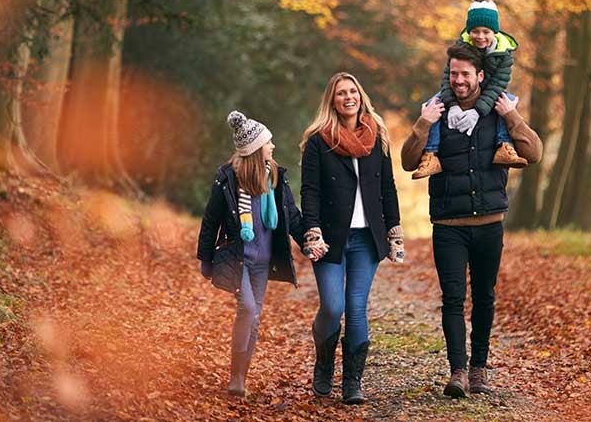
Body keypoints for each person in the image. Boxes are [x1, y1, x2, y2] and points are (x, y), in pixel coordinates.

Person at [401, 43, 543, 398]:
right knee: (452, 299)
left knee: (484, 297)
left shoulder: (497, 112)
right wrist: (424, 122)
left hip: (489, 224)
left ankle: (479, 368)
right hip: (449, 226)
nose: (459, 80)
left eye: (466, 74)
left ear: (480, 76)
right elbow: (406, 161)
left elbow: (535, 153)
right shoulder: (437, 112)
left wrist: (512, 116)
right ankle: (458, 372)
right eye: (454, 74)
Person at [300, 72, 403, 404]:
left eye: (353, 91)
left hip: (367, 238)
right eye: (341, 93)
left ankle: (352, 383)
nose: (348, 97)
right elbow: (310, 190)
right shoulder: (319, 140)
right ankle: (324, 363)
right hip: (331, 237)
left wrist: (394, 231)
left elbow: (387, 188)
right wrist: (311, 230)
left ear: (361, 95)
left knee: (356, 308)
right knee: (333, 306)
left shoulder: (377, 135)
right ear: (332, 100)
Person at [196, 110, 307, 398]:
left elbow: (292, 217)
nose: (272, 147)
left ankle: (240, 378)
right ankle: (235, 374)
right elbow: (211, 220)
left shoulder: (275, 179)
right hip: (239, 259)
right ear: (256, 150)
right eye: (268, 143)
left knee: (254, 316)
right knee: (246, 308)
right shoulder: (228, 180)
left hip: (263, 262)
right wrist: (205, 259)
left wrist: (309, 241)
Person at [411, 0, 527, 180]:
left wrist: (477, 111)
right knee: (435, 105)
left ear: (494, 32)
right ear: (468, 31)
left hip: (490, 90)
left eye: (486, 31)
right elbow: (448, 79)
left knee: (508, 103)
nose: (480, 36)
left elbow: (499, 83)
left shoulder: (503, 55)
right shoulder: (460, 49)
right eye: (475, 31)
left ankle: (505, 145)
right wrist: (454, 106)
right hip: (462, 91)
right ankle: (430, 153)